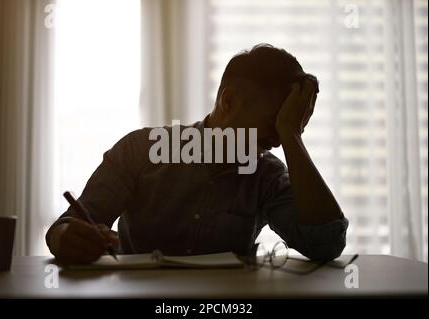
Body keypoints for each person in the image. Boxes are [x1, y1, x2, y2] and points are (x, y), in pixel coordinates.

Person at [46, 44, 348, 265]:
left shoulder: (266, 176)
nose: (279, 142)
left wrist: (292, 136)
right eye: (275, 124)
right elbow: (65, 226)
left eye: (290, 128)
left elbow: (326, 244)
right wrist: (67, 238)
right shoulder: (140, 151)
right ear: (229, 100)